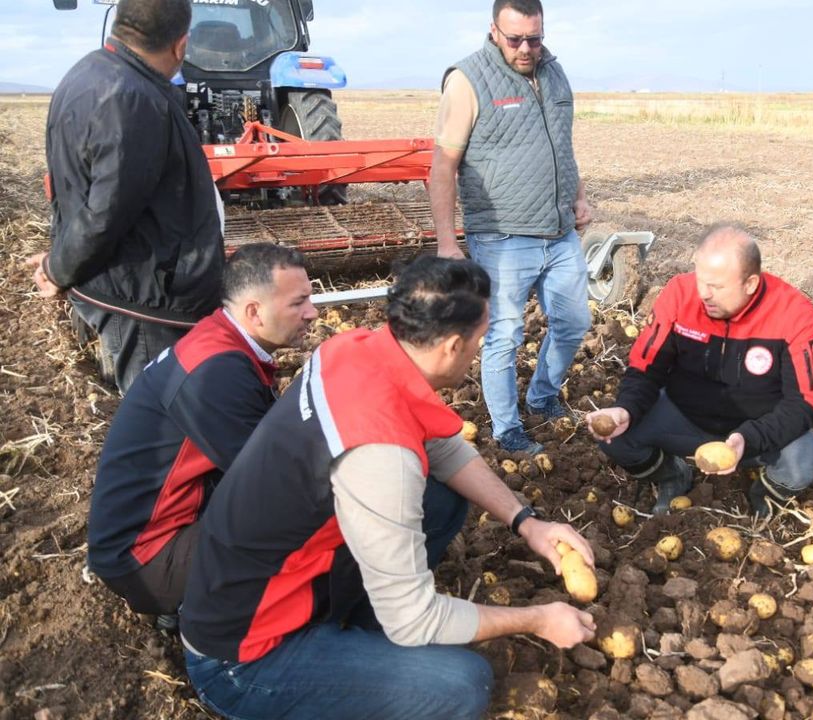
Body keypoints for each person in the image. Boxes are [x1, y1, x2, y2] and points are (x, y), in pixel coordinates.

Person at [180, 255, 596, 720]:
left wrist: (527, 523)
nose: (479, 350)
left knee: (439, 500)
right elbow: (415, 618)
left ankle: (361, 637)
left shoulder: (354, 348)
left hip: (254, 587)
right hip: (242, 659)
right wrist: (538, 619)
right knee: (459, 684)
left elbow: (443, 450)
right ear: (453, 346)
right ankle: (342, 661)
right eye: (480, 342)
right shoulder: (382, 458)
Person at [87, 243, 316, 624]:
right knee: (301, 521)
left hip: (143, 541)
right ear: (254, 312)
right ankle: (212, 619)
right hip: (146, 558)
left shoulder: (221, 338)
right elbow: (276, 483)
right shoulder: (216, 373)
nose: (313, 313)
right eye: (299, 303)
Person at [27, 0, 224, 394]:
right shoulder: (134, 98)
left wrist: (61, 255)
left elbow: (78, 192)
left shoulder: (88, 73)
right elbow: (105, 212)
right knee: (155, 414)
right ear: (180, 46)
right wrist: (57, 267)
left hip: (130, 286)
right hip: (142, 299)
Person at [429, 0, 592, 454]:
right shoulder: (467, 79)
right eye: (515, 39)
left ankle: (542, 396)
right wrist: (447, 240)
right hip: (502, 237)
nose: (525, 49)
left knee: (574, 321)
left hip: (559, 233)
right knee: (503, 333)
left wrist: (578, 195)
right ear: (494, 31)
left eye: (535, 39)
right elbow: (443, 166)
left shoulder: (554, 73)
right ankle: (507, 429)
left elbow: (563, 146)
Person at [586, 224, 813, 517]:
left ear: (750, 283)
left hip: (756, 430)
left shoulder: (794, 313)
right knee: (616, 436)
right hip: (684, 417)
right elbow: (645, 368)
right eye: (701, 281)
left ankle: (764, 494)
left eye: (717, 286)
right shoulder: (679, 294)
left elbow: (803, 403)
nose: (704, 294)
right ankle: (672, 475)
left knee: (803, 463)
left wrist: (749, 438)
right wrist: (626, 408)